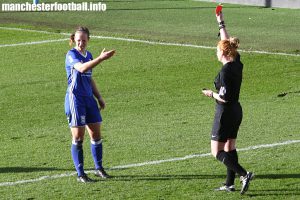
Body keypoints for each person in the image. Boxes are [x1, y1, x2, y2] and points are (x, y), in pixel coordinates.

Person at [202, 11, 254, 194]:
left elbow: (223, 97)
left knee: (216, 151)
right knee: (230, 147)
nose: (215, 52)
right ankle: (229, 183)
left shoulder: (224, 73)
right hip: (236, 111)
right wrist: (220, 22)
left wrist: (210, 94)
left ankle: (244, 174)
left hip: (224, 112)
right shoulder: (237, 63)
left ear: (223, 53)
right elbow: (227, 43)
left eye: (217, 50)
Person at [64, 26, 115, 183]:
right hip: (75, 99)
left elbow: (89, 77)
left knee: (96, 134)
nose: (81, 43)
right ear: (74, 40)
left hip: (88, 99)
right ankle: (80, 174)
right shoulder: (71, 54)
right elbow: (81, 68)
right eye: (78, 40)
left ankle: (99, 168)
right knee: (79, 138)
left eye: (84, 41)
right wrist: (100, 59)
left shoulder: (89, 55)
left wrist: (99, 97)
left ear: (88, 40)